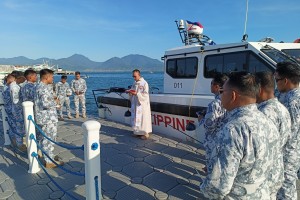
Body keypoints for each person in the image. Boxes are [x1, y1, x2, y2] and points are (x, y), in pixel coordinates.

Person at [200, 72, 278, 199]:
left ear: (232, 95)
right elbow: (277, 173)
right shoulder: (268, 121)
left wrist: (205, 187)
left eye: (222, 91)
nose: (220, 95)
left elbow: (218, 188)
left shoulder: (232, 129)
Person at [256, 71, 292, 199]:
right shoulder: (282, 108)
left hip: (265, 173)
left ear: (259, 89)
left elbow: (261, 150)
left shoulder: (264, 113)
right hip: (277, 168)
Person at [274, 62, 300, 200]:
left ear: (285, 81)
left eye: (277, 80)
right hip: (291, 151)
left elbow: (289, 130)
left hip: (287, 152)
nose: (275, 84)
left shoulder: (292, 100)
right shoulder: (287, 95)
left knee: (286, 189)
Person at [198, 74, 228, 173]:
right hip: (225, 140)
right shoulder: (230, 101)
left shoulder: (214, 104)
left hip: (213, 142)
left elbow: (209, 125)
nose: (210, 85)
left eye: (211, 83)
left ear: (216, 86)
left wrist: (201, 119)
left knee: (212, 169)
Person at [34, 69, 64, 168]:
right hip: (48, 118)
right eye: (52, 77)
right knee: (49, 139)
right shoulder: (44, 88)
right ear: (46, 77)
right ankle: (49, 161)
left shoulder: (38, 86)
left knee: (44, 138)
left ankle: (48, 156)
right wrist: (57, 104)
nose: (52, 79)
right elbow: (46, 103)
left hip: (42, 117)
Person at [127, 69, 152, 140]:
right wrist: (129, 92)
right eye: (133, 76)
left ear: (139, 75)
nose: (134, 78)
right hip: (135, 103)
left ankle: (145, 133)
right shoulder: (134, 83)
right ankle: (137, 132)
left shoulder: (144, 83)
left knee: (143, 119)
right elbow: (132, 90)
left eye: (135, 76)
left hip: (142, 105)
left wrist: (136, 94)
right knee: (136, 118)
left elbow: (146, 95)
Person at [9, 71, 26, 151]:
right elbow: (16, 101)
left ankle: (16, 141)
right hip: (17, 110)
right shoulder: (15, 87)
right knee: (19, 127)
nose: (24, 79)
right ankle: (20, 144)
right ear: (19, 78)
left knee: (16, 126)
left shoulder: (15, 85)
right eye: (23, 78)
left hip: (16, 109)